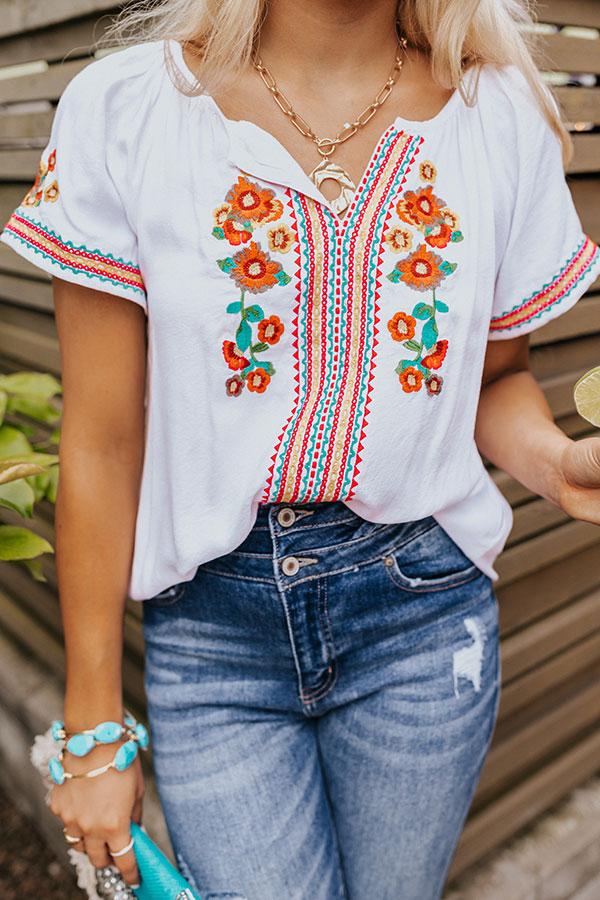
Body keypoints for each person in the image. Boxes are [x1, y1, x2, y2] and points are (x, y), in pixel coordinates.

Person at [2, 1, 600, 897]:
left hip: (422, 621)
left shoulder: (499, 114)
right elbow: (102, 442)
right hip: (213, 640)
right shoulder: (128, 108)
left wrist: (559, 468)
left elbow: (495, 379)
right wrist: (93, 730)